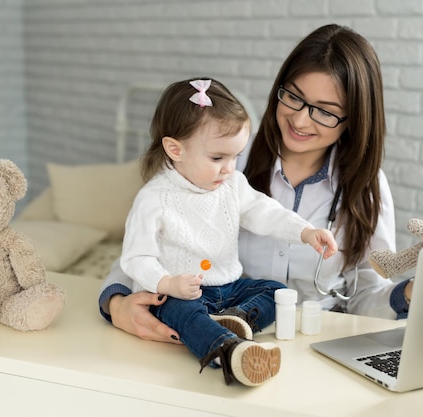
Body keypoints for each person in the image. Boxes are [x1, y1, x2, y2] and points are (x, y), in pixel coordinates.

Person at [99, 23, 415, 345]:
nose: (301, 120)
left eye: (324, 112)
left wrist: (409, 293)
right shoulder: (220, 157)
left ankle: (239, 326)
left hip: (317, 337)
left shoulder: (366, 186)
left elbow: (366, 295)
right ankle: (224, 343)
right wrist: (116, 303)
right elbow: (145, 249)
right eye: (293, 97)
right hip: (208, 315)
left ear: (355, 119)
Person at [118, 77, 338, 387]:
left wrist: (304, 232)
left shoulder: (232, 185)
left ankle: (234, 320)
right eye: (218, 158)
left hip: (228, 289)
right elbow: (136, 257)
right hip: (179, 294)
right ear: (175, 149)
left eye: (235, 157)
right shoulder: (154, 198)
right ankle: (233, 354)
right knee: (184, 313)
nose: (229, 168)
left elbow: (264, 212)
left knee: (277, 291)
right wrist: (168, 283)